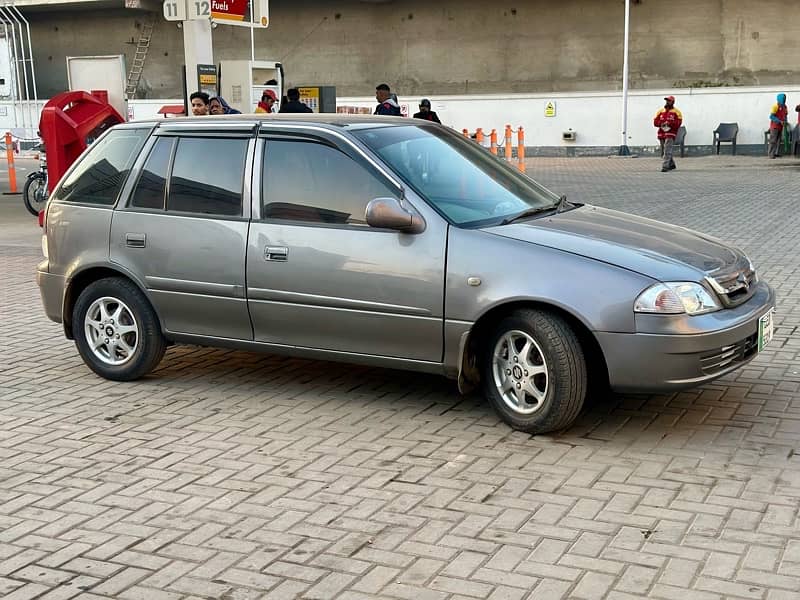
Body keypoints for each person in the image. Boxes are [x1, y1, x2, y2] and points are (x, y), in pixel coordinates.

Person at [653, 95, 683, 172]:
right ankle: (672, 164)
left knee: (667, 150)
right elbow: (655, 122)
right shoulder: (660, 111)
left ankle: (665, 166)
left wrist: (669, 123)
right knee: (664, 151)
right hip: (661, 134)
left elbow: (678, 123)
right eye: (666, 101)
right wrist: (662, 123)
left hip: (671, 134)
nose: (667, 102)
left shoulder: (677, 112)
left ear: (673, 102)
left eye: (669, 101)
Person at [767, 93, 788, 158]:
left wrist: (785, 121)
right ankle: (770, 154)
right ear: (780, 99)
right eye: (783, 99)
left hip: (781, 127)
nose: (784, 100)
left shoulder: (785, 107)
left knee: (779, 141)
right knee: (773, 140)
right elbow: (771, 116)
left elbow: (785, 115)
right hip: (775, 126)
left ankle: (776, 153)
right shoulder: (775, 106)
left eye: (785, 99)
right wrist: (779, 121)